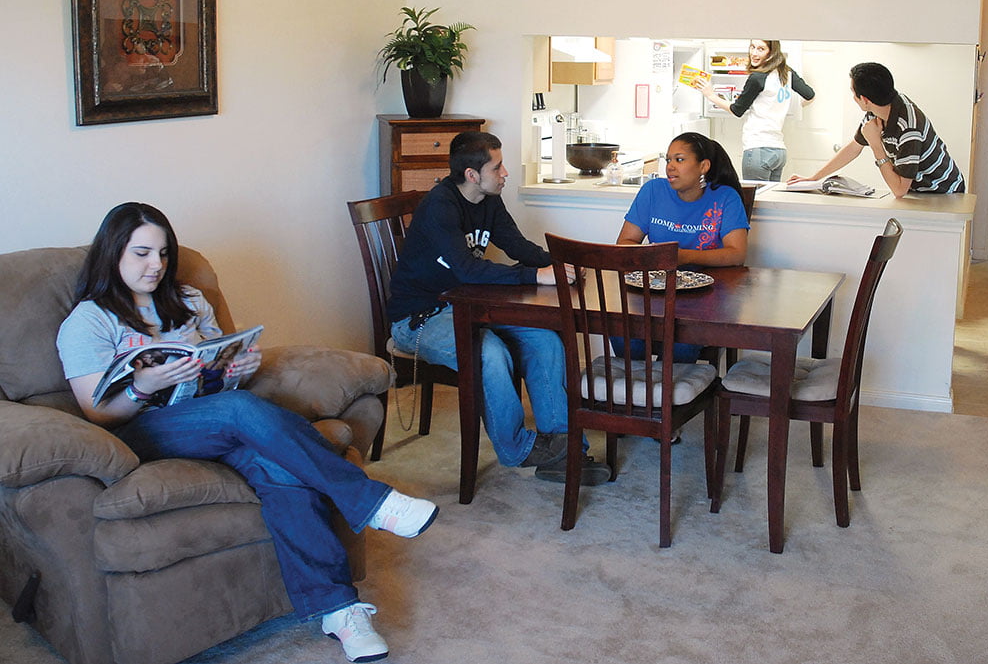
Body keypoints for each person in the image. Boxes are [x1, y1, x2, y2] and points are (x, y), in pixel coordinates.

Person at [57, 202, 437, 664]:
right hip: (144, 430)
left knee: (276, 464)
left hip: (211, 416)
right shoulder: (89, 320)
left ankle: (339, 610)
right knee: (240, 410)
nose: (155, 265)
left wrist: (236, 369)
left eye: (162, 253)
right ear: (112, 253)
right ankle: (370, 501)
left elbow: (218, 377)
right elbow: (97, 413)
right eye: (141, 253)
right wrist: (142, 385)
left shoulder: (190, 300)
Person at [387, 130, 610, 486]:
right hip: (419, 317)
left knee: (544, 339)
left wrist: (561, 264)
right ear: (472, 175)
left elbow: (517, 245)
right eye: (498, 166)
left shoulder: (489, 199)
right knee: (489, 352)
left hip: (472, 307)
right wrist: (536, 276)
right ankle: (517, 449)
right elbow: (467, 269)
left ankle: (565, 448)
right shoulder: (439, 207)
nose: (505, 173)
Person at [616, 132, 750, 362]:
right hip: (653, 292)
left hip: (704, 296)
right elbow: (625, 243)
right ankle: (642, 391)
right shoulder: (653, 191)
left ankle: (667, 393)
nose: (670, 167)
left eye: (679, 160)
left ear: (703, 166)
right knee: (622, 335)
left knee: (680, 346)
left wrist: (683, 257)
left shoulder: (725, 198)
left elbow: (737, 253)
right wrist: (657, 257)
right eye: (668, 160)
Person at [788, 61, 966, 197]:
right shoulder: (878, 110)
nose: (853, 98)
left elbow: (899, 190)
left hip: (944, 190)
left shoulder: (908, 127)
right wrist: (814, 178)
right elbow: (853, 148)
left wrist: (876, 145)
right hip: (920, 189)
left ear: (865, 99)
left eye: (853, 93)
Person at [696, 39, 815, 181]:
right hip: (779, 151)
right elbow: (810, 96)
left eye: (761, 49)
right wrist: (781, 106)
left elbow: (737, 110)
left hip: (758, 149)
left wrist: (710, 95)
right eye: (752, 47)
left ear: (772, 52)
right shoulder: (787, 73)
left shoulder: (757, 78)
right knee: (770, 201)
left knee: (755, 201)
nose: (754, 53)